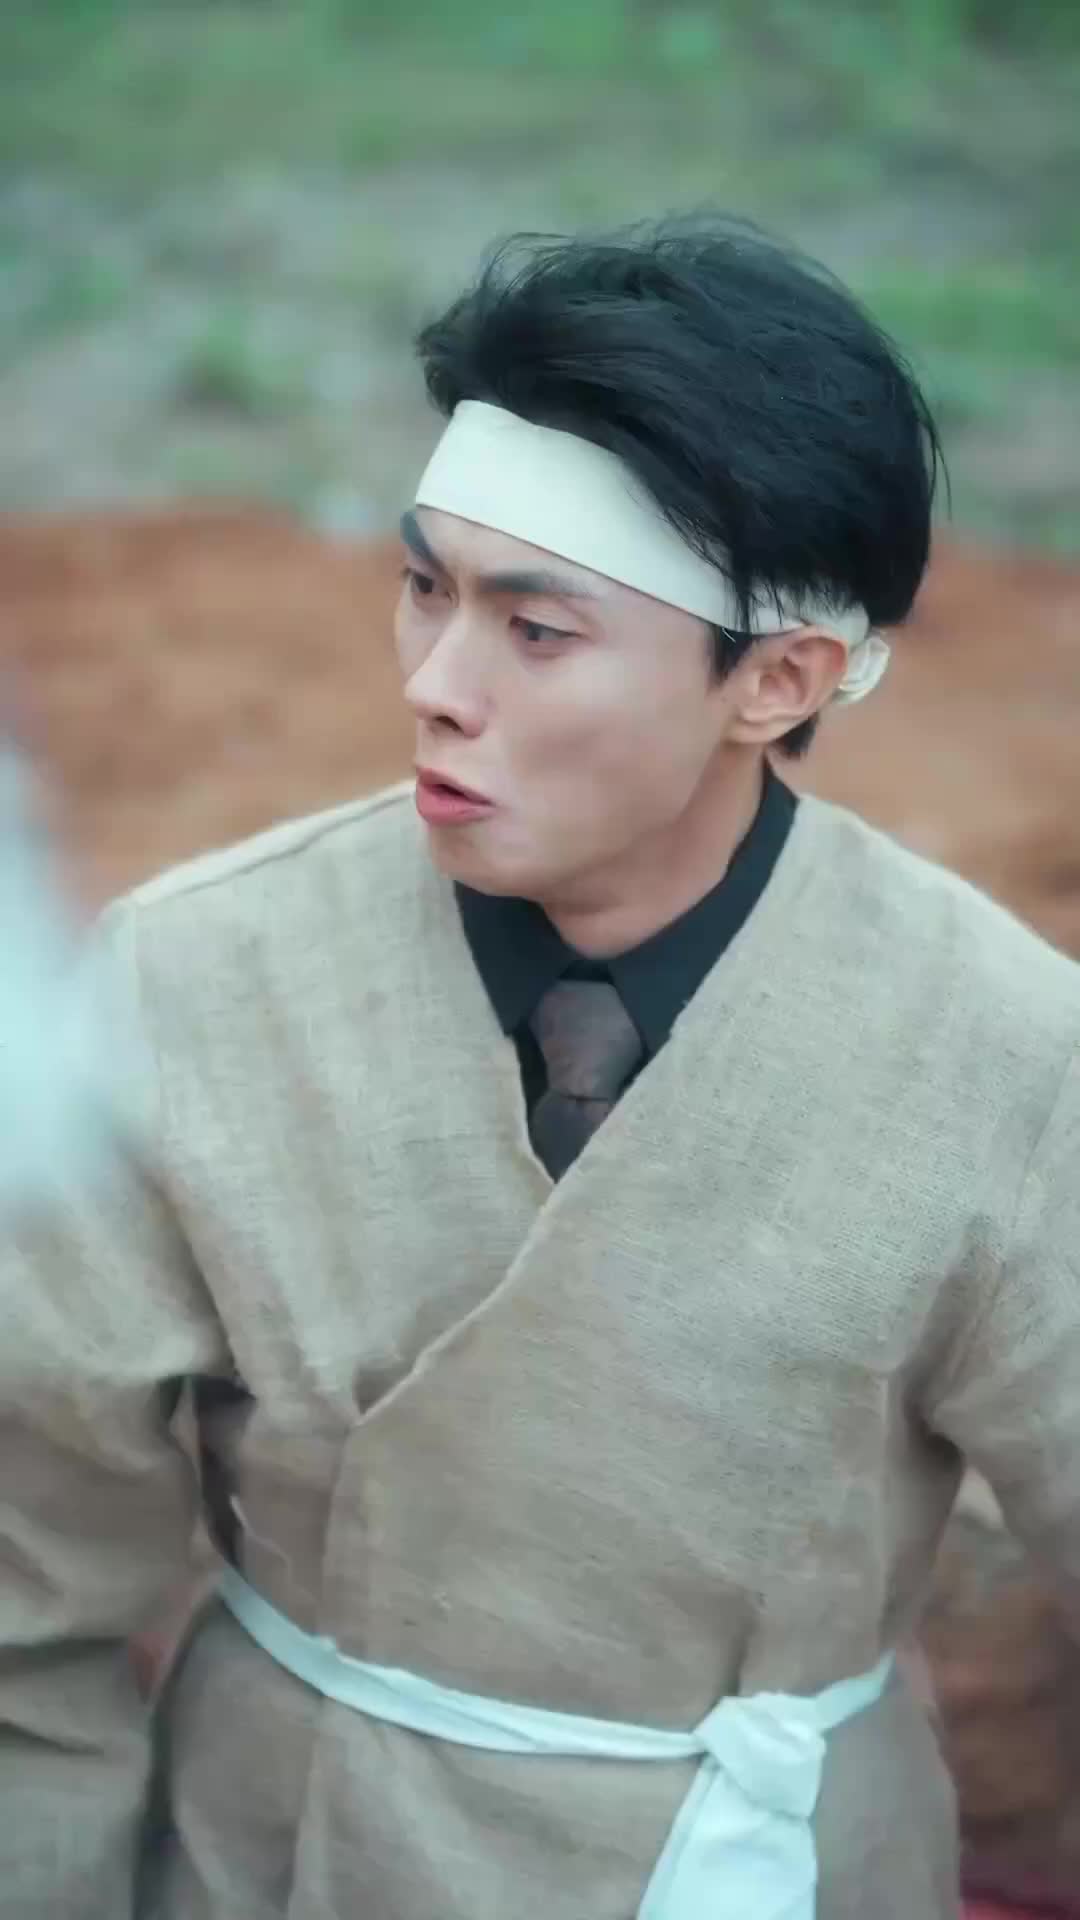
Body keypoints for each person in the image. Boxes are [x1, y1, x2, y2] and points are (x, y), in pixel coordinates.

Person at [2, 212, 1078, 1920]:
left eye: (538, 629)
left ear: (776, 680)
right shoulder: (191, 984)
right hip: (281, 1863)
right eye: (425, 586)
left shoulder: (1007, 1057)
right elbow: (23, 1620)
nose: (435, 685)